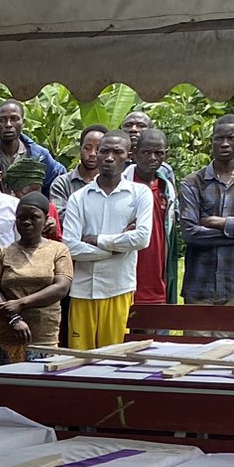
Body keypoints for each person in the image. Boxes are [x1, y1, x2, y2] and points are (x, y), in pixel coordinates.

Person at [60, 131, 151, 350]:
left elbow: (141, 238)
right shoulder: (79, 198)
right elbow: (70, 246)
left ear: (129, 155)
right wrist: (115, 248)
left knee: (115, 358)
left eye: (117, 152)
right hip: (83, 291)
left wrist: (98, 240)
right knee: (79, 358)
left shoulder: (139, 194)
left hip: (118, 288)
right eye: (104, 151)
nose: (109, 158)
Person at [177, 115, 234, 306]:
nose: (225, 144)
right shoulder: (193, 182)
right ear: (211, 141)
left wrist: (221, 223)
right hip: (199, 285)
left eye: (232, 138)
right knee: (194, 328)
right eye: (219, 138)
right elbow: (190, 233)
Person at [0, 193, 74, 362]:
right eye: (21, 218)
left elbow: (61, 288)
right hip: (7, 336)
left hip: (43, 338)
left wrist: (21, 303)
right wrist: (14, 319)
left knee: (39, 379)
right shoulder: (2, 253)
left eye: (34, 217)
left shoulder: (59, 250)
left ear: (46, 219)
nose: (26, 222)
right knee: (4, 378)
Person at [129, 128, 181, 305]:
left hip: (157, 274)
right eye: (146, 152)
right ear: (134, 153)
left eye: (158, 153)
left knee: (155, 320)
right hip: (128, 275)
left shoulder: (166, 188)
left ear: (166, 154)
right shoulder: (122, 184)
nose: (152, 158)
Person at [0, 100, 64, 195]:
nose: (8, 124)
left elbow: (60, 178)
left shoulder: (40, 155)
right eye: (2, 120)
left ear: (23, 123)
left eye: (14, 119)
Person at [52, 126, 107, 208]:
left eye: (98, 149)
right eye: (87, 148)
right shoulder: (62, 183)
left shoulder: (112, 184)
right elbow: (60, 213)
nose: (92, 154)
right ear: (80, 149)